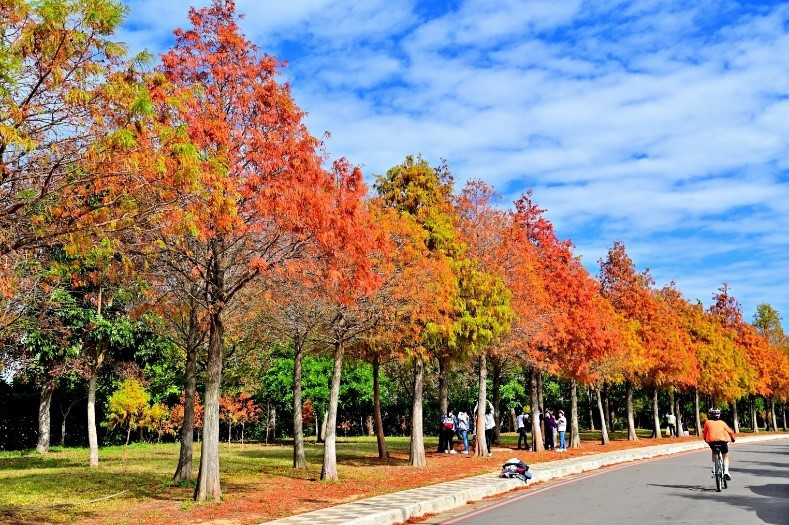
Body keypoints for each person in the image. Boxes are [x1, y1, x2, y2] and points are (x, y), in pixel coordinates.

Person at [703, 407, 735, 480]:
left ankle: (714, 468)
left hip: (711, 442)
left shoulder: (707, 422)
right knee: (725, 456)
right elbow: (730, 432)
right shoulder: (722, 422)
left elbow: (705, 432)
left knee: (714, 451)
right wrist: (733, 438)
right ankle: (726, 471)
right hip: (722, 441)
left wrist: (705, 439)